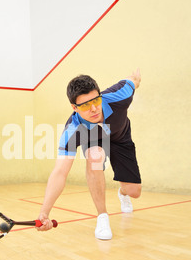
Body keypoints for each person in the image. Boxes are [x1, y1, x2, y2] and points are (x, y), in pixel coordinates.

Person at [36, 69, 142, 240]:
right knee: (94, 156)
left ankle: (123, 193)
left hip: (121, 138)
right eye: (85, 105)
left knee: (134, 191)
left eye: (96, 101)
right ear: (74, 108)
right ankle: (102, 217)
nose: (93, 109)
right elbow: (60, 172)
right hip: (94, 141)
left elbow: (133, 81)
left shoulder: (119, 95)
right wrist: (44, 212)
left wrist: (135, 77)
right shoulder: (72, 129)